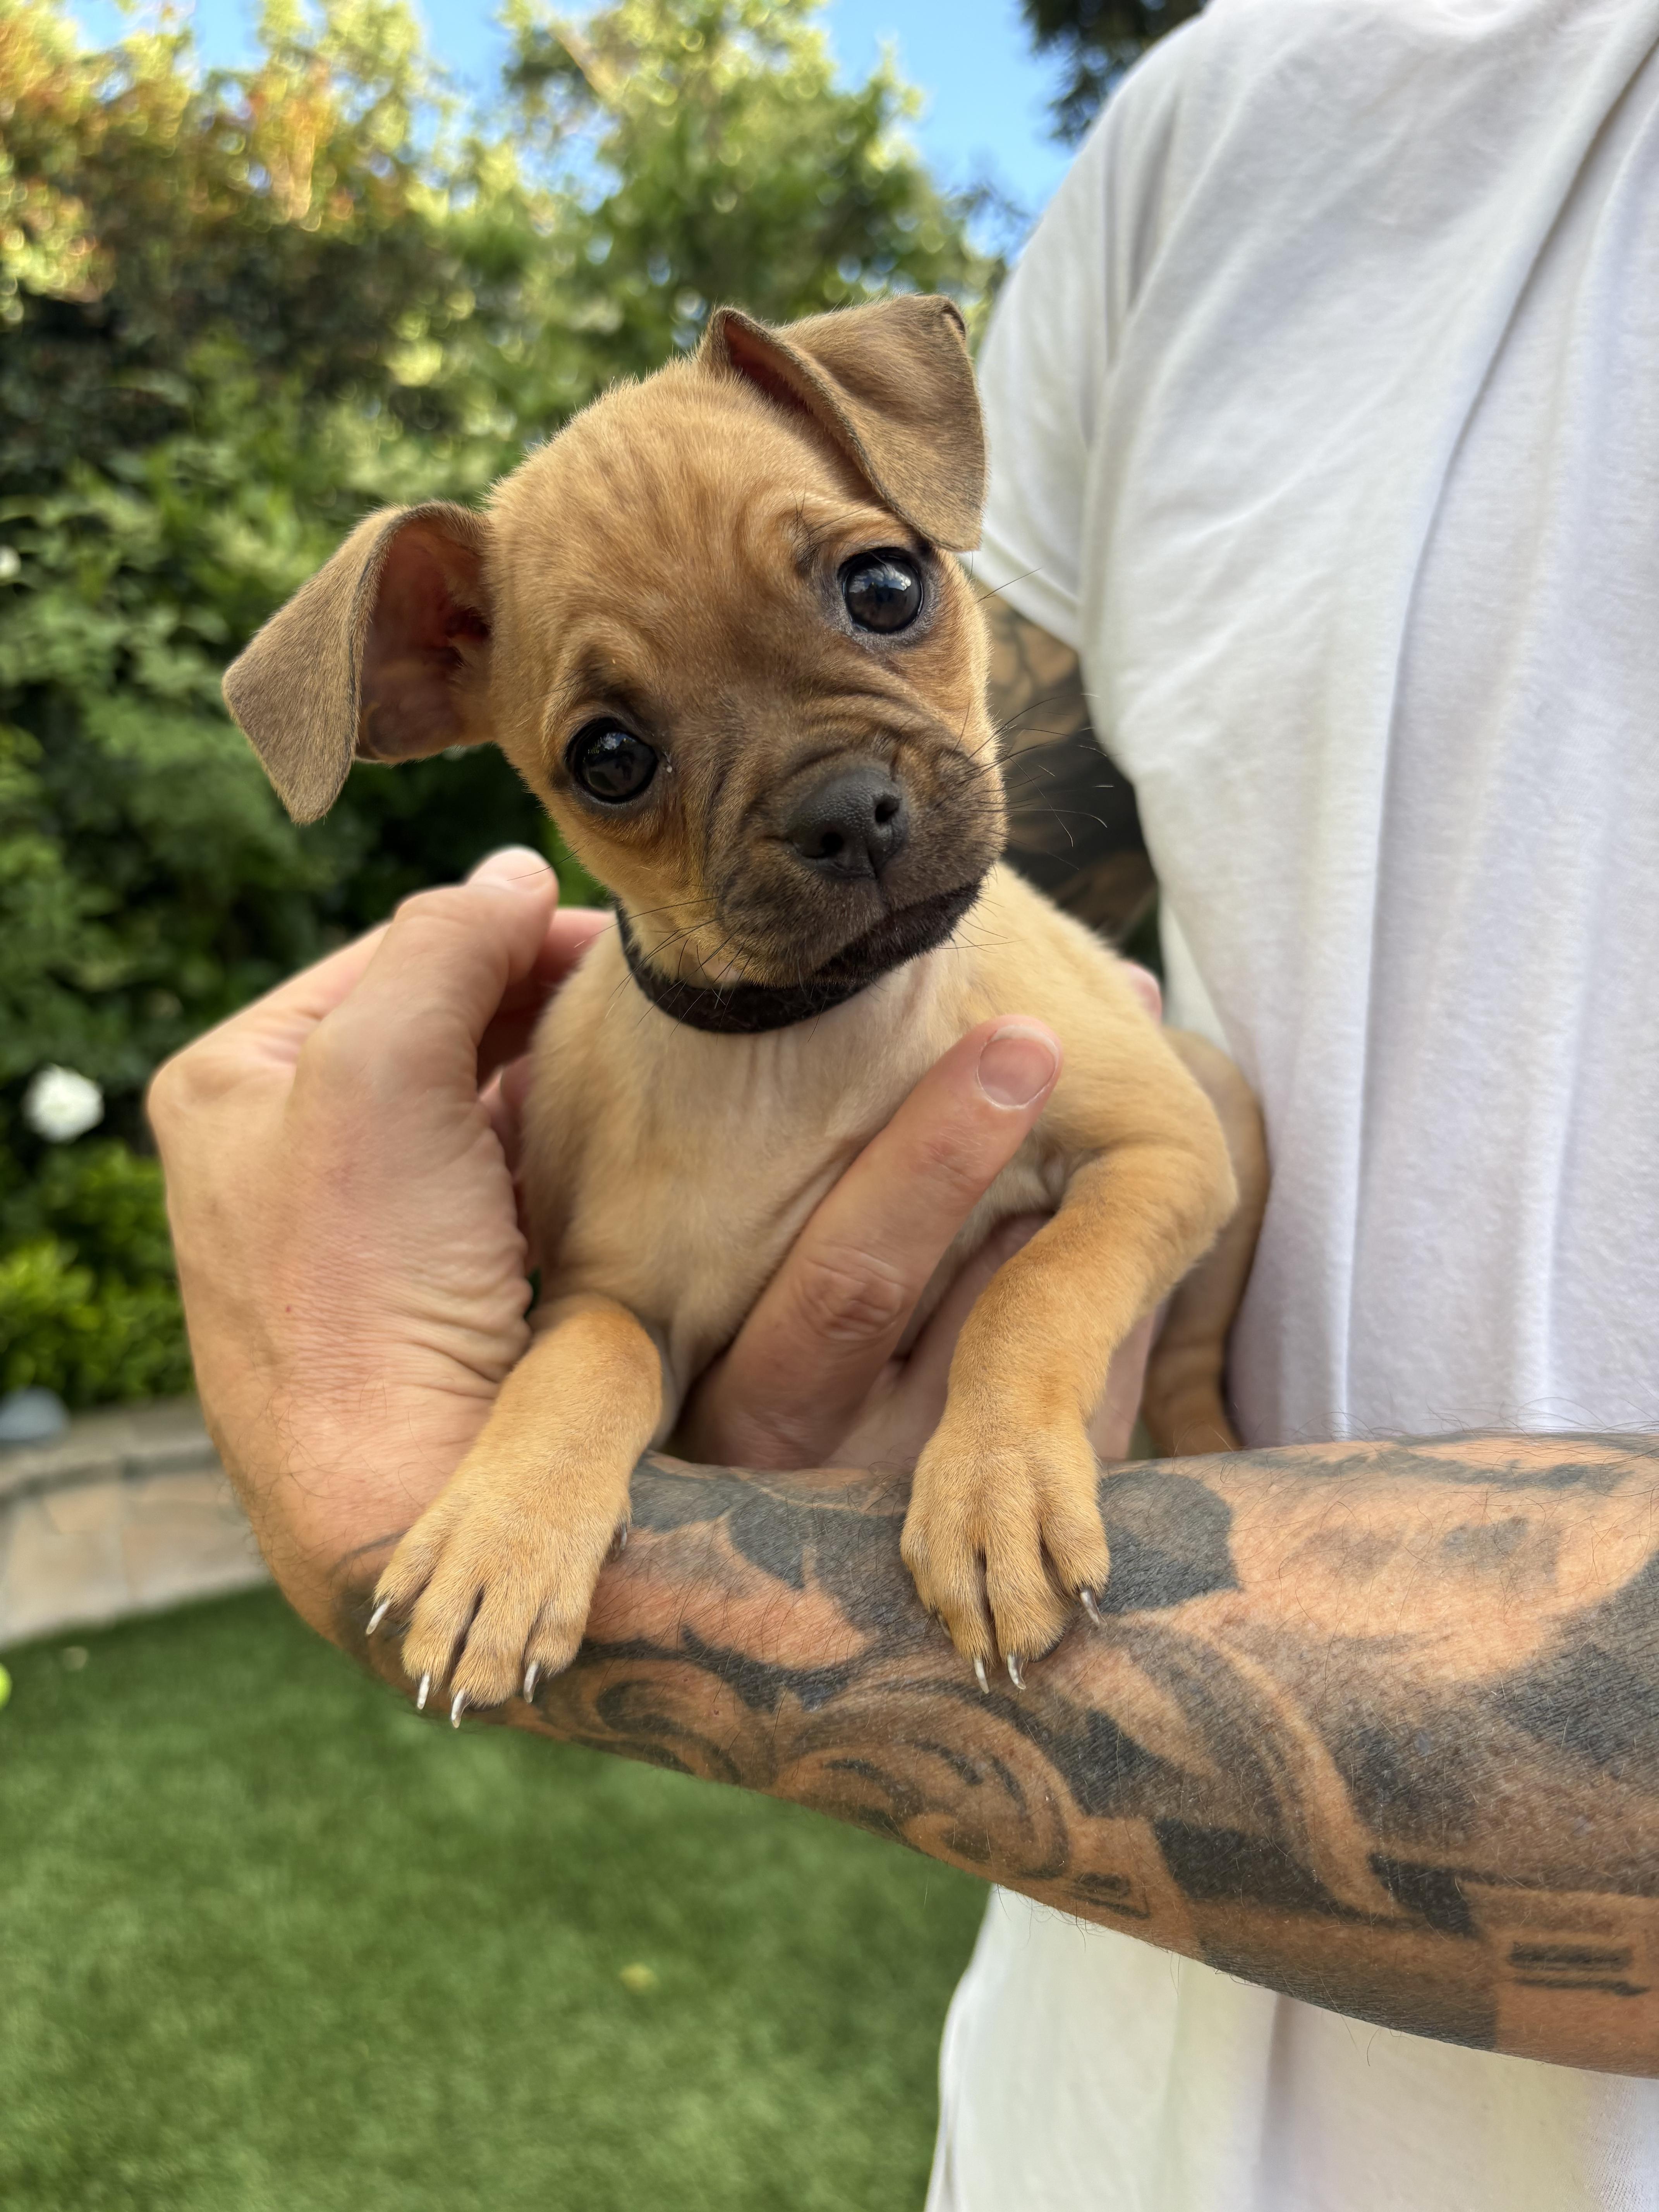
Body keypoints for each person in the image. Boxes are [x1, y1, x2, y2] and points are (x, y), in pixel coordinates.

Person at [151, 1, 1659, 2207]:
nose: (852, 791)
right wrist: (550, 1431)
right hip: (1097, 2091)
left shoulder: (1007, 928)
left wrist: (1049, 1374)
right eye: (627, 759)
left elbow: (1170, 1132)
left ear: (919, 489)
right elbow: (621, 1307)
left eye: (879, 596)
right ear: (430, 686)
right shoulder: (1237, 119)